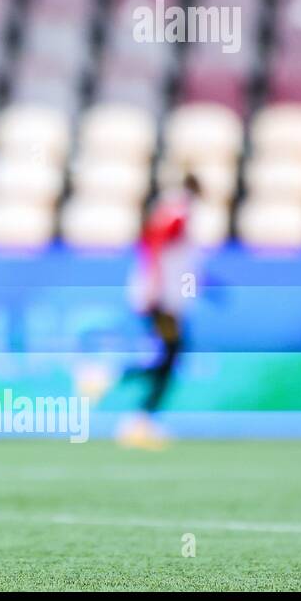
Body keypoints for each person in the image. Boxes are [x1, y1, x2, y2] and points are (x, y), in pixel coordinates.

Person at [112, 173, 205, 450]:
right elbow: (153, 246)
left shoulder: (173, 213)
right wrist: (155, 285)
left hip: (163, 297)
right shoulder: (179, 215)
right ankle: (139, 419)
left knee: (167, 358)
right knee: (170, 356)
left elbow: (175, 258)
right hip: (163, 300)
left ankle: (135, 410)